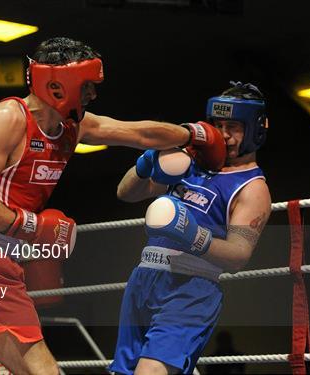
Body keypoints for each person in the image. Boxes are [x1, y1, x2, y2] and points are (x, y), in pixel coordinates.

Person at [0, 37, 216, 375]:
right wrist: (33, 227)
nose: (92, 95)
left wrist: (193, 134)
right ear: (59, 85)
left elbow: (138, 134)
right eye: (87, 87)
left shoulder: (73, 127)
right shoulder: (7, 118)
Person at [111, 82, 272, 375]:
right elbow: (126, 192)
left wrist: (193, 235)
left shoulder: (253, 188)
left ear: (256, 129)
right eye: (218, 124)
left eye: (234, 126)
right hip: (144, 278)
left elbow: (238, 255)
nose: (223, 134)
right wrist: (147, 163)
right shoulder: (191, 163)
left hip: (191, 288)